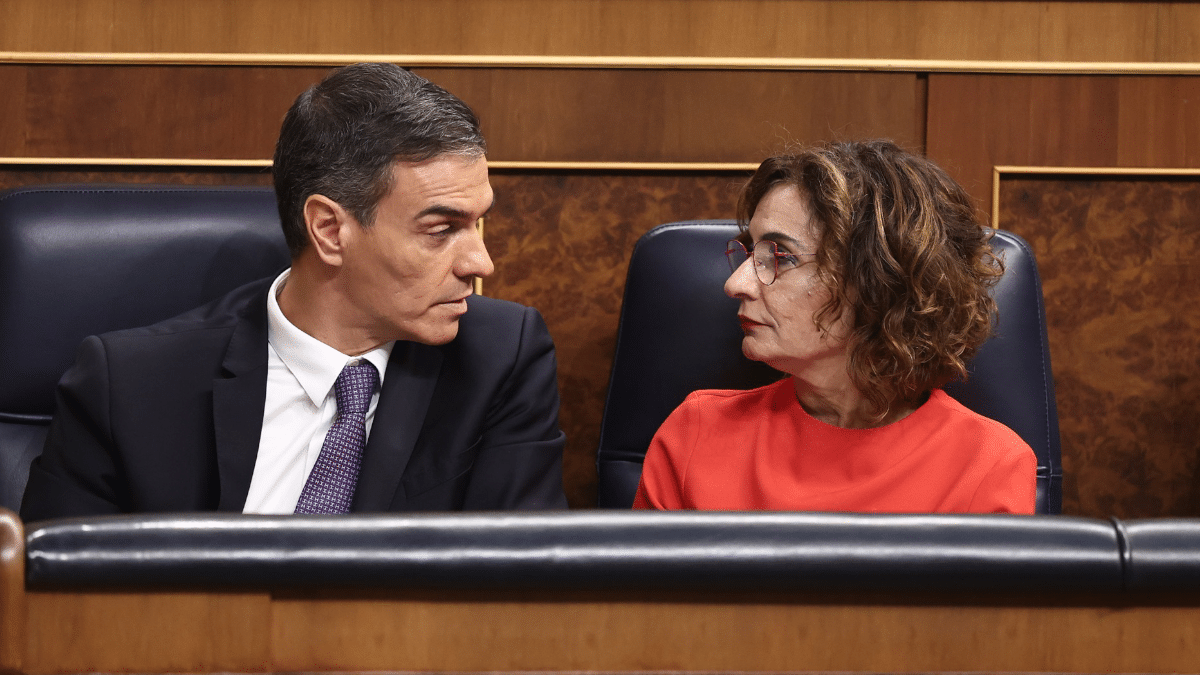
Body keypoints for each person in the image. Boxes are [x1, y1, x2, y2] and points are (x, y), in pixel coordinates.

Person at [21, 63, 567, 519]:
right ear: (330, 230)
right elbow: (52, 613)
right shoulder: (129, 387)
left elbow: (515, 596)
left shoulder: (500, 359)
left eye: (478, 224)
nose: (481, 263)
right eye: (441, 229)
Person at [633, 140, 1037, 514]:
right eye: (749, 251)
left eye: (780, 256)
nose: (735, 283)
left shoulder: (990, 466)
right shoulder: (695, 434)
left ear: (878, 281)